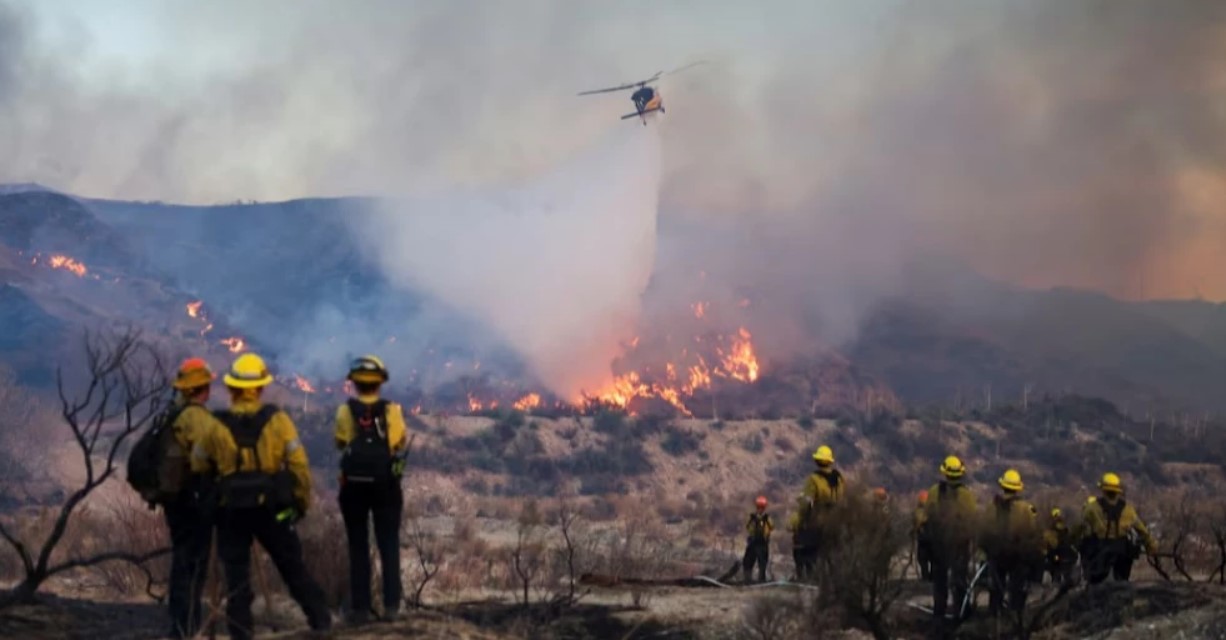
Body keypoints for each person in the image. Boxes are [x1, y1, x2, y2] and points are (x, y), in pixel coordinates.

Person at [191, 353, 331, 640]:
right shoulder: (278, 421)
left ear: (232, 388)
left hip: (230, 511)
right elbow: (299, 466)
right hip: (272, 509)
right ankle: (322, 623)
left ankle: (241, 633)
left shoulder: (214, 425)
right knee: (292, 568)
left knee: (237, 580)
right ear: (261, 387)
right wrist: (300, 503)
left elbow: (198, 463)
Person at [335, 355, 409, 623]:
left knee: (358, 546)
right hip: (385, 486)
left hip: (353, 487)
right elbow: (399, 442)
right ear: (380, 383)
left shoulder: (345, 412)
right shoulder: (392, 411)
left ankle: (361, 609)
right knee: (388, 543)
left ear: (354, 384)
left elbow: (340, 441)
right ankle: (391, 607)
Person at [163, 358, 223, 639]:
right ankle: (186, 628)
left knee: (182, 561)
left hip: (176, 500)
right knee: (194, 566)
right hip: (194, 500)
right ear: (203, 388)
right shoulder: (197, 418)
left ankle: (181, 625)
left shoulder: (174, 414)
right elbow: (204, 459)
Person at [979, 469, 1040, 618]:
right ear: (1018, 488)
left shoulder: (992, 507)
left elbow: (983, 531)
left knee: (996, 590)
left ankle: (993, 617)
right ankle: (1015, 618)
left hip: (996, 556)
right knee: (1017, 589)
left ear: (1003, 486)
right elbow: (1032, 533)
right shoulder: (1025, 509)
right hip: (1017, 557)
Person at [1076, 473, 1157, 584]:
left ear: (1103, 490)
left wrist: (1072, 541)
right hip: (1122, 551)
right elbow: (1142, 530)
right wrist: (1150, 545)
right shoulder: (1128, 510)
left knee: (1095, 582)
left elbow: (1079, 526)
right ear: (1118, 491)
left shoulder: (1092, 508)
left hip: (1098, 550)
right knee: (1122, 581)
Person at [925, 455, 978, 624]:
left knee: (939, 581)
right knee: (959, 579)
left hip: (938, 543)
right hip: (960, 545)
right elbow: (972, 518)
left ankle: (938, 613)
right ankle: (960, 613)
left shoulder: (934, 492)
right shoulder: (966, 495)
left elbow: (927, 515)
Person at [787, 445, 844, 582]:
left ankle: (810, 578)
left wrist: (801, 518)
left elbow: (806, 503)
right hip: (837, 518)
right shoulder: (839, 478)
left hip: (818, 519)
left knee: (810, 551)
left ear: (817, 461)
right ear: (830, 461)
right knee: (833, 553)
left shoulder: (814, 479)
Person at [1043, 508, 1078, 587]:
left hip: (1060, 554)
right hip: (1064, 554)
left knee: (1055, 566)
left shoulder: (1053, 530)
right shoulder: (1063, 528)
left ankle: (1059, 581)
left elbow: (1052, 543)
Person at [742, 496, 774, 583]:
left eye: (761, 507)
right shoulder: (753, 517)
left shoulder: (766, 518)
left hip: (762, 543)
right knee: (748, 561)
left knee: (762, 563)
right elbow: (748, 526)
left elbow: (771, 527)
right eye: (759, 507)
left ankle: (761, 579)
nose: (760, 509)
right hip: (754, 543)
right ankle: (747, 579)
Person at [914, 490, 933, 581]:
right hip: (931, 538)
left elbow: (917, 523)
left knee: (923, 559)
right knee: (931, 558)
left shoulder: (918, 511)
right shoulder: (933, 510)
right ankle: (931, 576)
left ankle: (926, 576)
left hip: (923, 539)